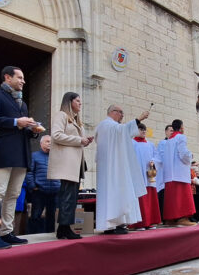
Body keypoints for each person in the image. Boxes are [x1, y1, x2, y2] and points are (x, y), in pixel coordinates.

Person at [0, 66, 45, 249]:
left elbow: (22, 129)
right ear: (7, 78)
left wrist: (32, 130)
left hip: (22, 153)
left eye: (24, 78)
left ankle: (7, 232)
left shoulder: (22, 103)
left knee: (13, 195)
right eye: (20, 77)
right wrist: (16, 122)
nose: (23, 81)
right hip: (4, 150)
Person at [95, 104, 150, 234]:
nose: (122, 116)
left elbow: (121, 132)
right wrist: (139, 119)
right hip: (112, 167)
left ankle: (118, 223)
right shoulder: (107, 125)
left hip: (114, 165)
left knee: (119, 193)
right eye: (121, 113)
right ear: (113, 112)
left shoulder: (108, 126)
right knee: (115, 193)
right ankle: (111, 225)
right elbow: (123, 131)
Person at [49, 92, 93, 240]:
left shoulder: (75, 120)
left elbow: (75, 140)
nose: (80, 103)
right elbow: (56, 135)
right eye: (78, 101)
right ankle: (65, 228)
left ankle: (64, 228)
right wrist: (79, 140)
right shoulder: (61, 116)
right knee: (68, 196)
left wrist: (85, 141)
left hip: (75, 163)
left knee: (72, 196)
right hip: (67, 164)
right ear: (69, 101)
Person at [161, 119, 197, 226]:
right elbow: (183, 154)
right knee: (182, 196)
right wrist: (191, 156)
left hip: (169, 174)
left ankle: (170, 220)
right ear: (181, 127)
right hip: (179, 172)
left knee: (171, 197)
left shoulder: (167, 141)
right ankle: (183, 218)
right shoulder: (181, 137)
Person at [130, 123, 162, 229]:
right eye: (141, 129)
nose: (143, 131)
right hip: (137, 175)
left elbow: (157, 156)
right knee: (140, 199)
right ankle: (139, 223)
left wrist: (153, 162)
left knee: (150, 198)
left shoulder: (150, 144)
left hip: (149, 175)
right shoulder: (131, 143)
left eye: (144, 130)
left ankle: (150, 222)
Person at [26, 135, 60, 234]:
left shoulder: (57, 156)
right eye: (47, 141)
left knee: (52, 216)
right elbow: (29, 172)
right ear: (41, 144)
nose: (50, 143)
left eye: (51, 141)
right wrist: (32, 186)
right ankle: (33, 236)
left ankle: (49, 236)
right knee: (36, 215)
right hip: (39, 191)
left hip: (55, 191)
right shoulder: (34, 156)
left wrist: (60, 185)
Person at [156, 125, 174, 217]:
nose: (172, 132)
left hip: (172, 175)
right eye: (170, 130)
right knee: (163, 196)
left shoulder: (174, 142)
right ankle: (163, 217)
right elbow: (164, 157)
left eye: (173, 131)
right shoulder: (163, 143)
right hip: (164, 174)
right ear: (166, 132)